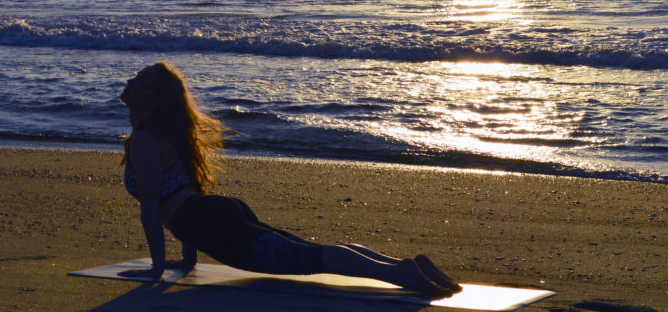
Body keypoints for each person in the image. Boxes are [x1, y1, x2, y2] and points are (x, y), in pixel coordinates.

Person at [118, 61, 460, 296]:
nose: (132, 81)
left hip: (209, 224)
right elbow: (183, 196)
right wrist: (188, 258)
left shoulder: (146, 140)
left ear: (154, 100)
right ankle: (406, 266)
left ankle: (400, 275)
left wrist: (157, 269)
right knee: (309, 252)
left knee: (310, 259)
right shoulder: (161, 135)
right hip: (210, 216)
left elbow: (152, 209)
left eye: (142, 81)